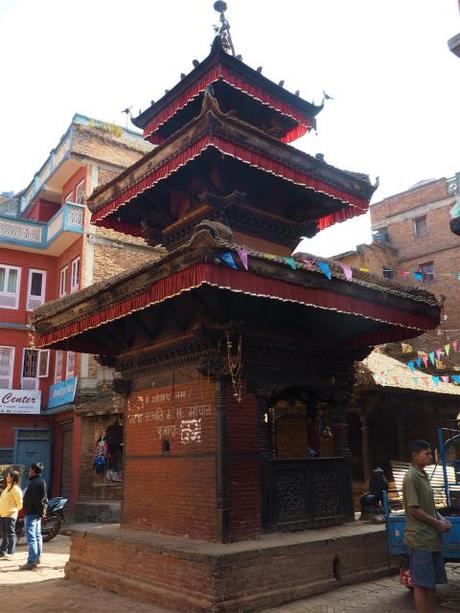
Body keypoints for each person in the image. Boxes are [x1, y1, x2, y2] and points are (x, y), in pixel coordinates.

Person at [403, 440, 452, 613]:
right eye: (427, 453)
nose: (430, 456)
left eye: (430, 453)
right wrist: (437, 523)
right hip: (420, 539)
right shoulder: (411, 477)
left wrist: (442, 519)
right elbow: (415, 510)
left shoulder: (422, 475)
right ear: (415, 456)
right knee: (421, 584)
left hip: (431, 539)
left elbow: (429, 506)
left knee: (431, 583)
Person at [20, 463, 47, 570]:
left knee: (31, 537)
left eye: (30, 470)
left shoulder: (34, 483)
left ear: (33, 471)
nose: (29, 471)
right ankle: (37, 557)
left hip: (31, 513)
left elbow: (35, 500)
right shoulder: (41, 481)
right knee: (37, 535)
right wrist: (41, 513)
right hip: (36, 513)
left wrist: (27, 507)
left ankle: (31, 561)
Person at [0, 469, 23, 560]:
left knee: (10, 534)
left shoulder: (16, 489)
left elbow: (19, 504)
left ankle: (11, 552)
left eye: (8, 476)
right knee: (4, 534)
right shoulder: (7, 488)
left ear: (12, 478)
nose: (6, 477)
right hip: (3, 514)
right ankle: (3, 551)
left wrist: (11, 510)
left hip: (10, 515)